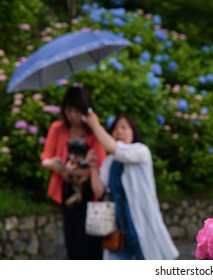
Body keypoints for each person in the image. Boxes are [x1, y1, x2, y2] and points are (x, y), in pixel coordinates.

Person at [83, 112, 179, 260]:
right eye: (115, 128)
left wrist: (95, 125)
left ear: (133, 131)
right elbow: (100, 191)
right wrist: (93, 168)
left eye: (124, 127)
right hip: (118, 231)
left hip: (142, 228)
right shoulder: (110, 162)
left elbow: (114, 148)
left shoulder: (141, 152)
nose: (119, 132)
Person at [41, 85, 106, 260]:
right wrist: (53, 164)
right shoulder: (58, 128)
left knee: (91, 241)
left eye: (77, 111)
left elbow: (100, 163)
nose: (73, 116)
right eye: (69, 111)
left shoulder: (93, 132)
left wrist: (83, 171)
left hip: (88, 190)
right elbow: (46, 157)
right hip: (67, 188)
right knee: (72, 239)